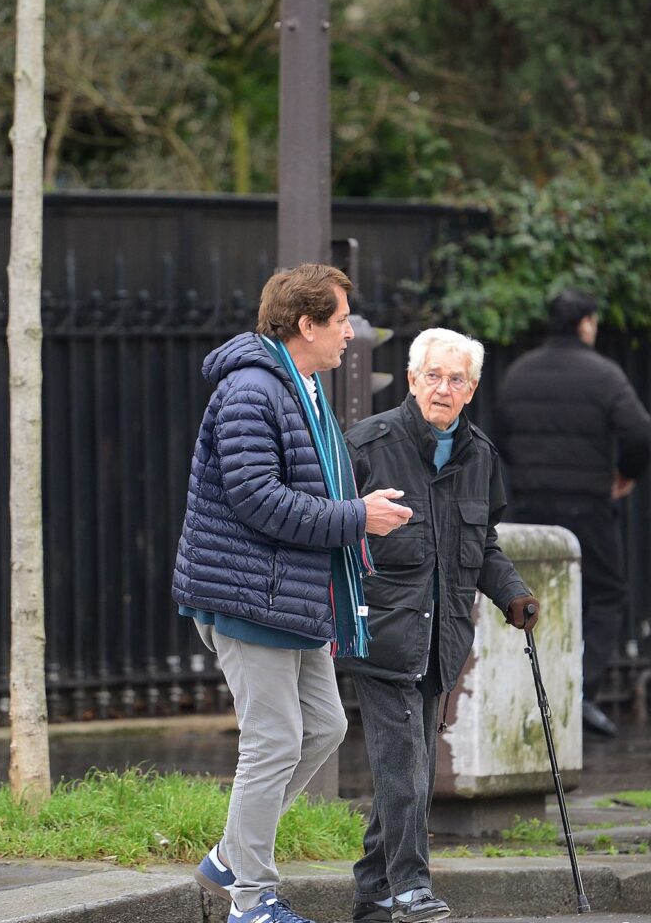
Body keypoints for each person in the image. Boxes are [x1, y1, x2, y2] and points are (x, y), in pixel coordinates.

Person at [172, 264, 414, 923]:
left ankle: (230, 855)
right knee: (274, 741)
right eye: (340, 322)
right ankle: (251, 903)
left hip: (289, 593)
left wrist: (357, 511)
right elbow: (257, 499)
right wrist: (356, 518)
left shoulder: (298, 383)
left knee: (326, 727)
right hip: (251, 594)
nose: (350, 335)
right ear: (305, 325)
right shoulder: (253, 391)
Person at [341, 327, 540, 923]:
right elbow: (327, 529)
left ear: (472, 389)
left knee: (410, 768)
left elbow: (484, 545)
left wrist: (513, 595)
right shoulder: (369, 445)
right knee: (405, 766)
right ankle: (410, 887)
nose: (443, 389)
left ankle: (373, 892)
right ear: (411, 379)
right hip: (382, 635)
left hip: (441, 639)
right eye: (433, 376)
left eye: (456, 379)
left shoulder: (480, 456)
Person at [495, 288, 651, 739]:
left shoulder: (519, 373)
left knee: (526, 598)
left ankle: (529, 693)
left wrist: (526, 471)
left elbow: (500, 431)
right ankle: (580, 693)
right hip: (587, 505)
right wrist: (626, 475)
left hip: (528, 506)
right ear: (585, 323)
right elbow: (640, 430)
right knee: (605, 595)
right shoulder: (603, 375)